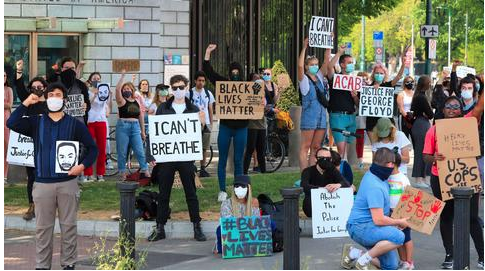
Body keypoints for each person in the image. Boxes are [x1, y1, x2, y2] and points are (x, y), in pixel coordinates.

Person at [7, 82, 98, 270]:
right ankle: (42, 266)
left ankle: (69, 264)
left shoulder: (74, 124)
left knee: (69, 227)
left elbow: (92, 148)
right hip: (42, 184)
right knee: (43, 229)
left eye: (58, 94)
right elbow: (12, 122)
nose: (54, 98)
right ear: (46, 98)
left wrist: (81, 166)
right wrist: (27, 102)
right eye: (51, 95)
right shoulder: (35, 122)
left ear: (64, 99)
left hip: (68, 183)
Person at [422, 95, 484, 269]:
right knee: (447, 216)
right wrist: (434, 157)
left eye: (456, 107)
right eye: (448, 106)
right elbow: (425, 156)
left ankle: (482, 255)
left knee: (472, 217)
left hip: (468, 176)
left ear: (461, 110)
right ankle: (450, 254)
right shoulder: (433, 130)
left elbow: (479, 107)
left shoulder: (469, 123)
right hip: (441, 177)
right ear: (442, 110)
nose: (451, 110)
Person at [147, 75, 207, 242]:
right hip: (167, 158)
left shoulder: (194, 109)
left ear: (187, 87)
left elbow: (197, 136)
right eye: (175, 88)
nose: (178, 90)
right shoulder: (163, 108)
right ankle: (160, 227)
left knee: (191, 192)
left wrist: (202, 123)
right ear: (171, 89)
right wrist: (151, 154)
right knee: (163, 193)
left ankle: (197, 225)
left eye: (181, 87)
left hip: (186, 157)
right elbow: (155, 132)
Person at [341, 147, 409, 270]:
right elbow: (378, 220)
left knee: (390, 266)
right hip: (360, 227)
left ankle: (354, 254)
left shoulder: (375, 173)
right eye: (392, 163)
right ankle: (363, 261)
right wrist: (399, 222)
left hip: (370, 225)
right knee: (399, 236)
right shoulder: (375, 186)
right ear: (389, 164)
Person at [203, 43, 251, 202]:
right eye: (233, 72)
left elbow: (257, 100)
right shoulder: (223, 84)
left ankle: (239, 189)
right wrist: (208, 53)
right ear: (230, 74)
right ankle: (222, 190)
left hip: (241, 128)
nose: (235, 74)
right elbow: (209, 73)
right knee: (222, 159)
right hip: (225, 126)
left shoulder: (247, 87)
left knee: (238, 160)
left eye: (238, 72)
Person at [14, 61, 49, 221]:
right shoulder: (27, 102)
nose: (37, 89)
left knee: (47, 175)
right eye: (34, 86)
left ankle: (47, 205)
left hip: (47, 146)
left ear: (45, 88)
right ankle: (32, 205)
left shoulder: (50, 104)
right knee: (32, 176)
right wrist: (19, 71)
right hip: (29, 146)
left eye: (40, 86)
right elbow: (19, 86)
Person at [297, 37, 331, 171]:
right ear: (306, 66)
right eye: (311, 64)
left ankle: (313, 174)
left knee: (316, 147)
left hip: (321, 117)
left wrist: (329, 44)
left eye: (316, 64)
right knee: (305, 147)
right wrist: (304, 48)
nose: (315, 66)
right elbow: (299, 66)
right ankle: (305, 174)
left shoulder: (320, 78)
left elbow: (326, 61)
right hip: (309, 117)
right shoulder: (304, 80)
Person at [366, 46, 408, 141]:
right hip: (372, 122)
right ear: (373, 74)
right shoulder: (367, 88)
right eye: (377, 73)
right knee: (375, 148)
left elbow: (398, 76)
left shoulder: (388, 86)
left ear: (385, 75)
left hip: (387, 121)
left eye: (381, 73)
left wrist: (403, 64)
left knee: (389, 146)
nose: (379, 75)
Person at [115, 70, 150, 181]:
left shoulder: (136, 101)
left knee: (139, 150)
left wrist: (143, 131)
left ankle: (145, 170)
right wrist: (123, 76)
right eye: (124, 89)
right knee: (122, 151)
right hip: (123, 127)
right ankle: (122, 173)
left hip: (135, 127)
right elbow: (116, 89)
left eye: (128, 89)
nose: (126, 90)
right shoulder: (121, 101)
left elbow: (140, 116)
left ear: (132, 90)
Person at [326, 45, 360, 158]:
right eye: (349, 62)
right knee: (341, 151)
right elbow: (329, 66)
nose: (351, 64)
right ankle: (339, 174)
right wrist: (339, 52)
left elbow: (358, 104)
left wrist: (355, 96)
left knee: (347, 151)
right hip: (338, 117)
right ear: (342, 64)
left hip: (351, 118)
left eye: (352, 62)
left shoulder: (355, 81)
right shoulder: (335, 78)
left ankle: (343, 173)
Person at [214, 175, 260, 254]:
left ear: (248, 188)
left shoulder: (253, 202)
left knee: (271, 224)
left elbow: (256, 222)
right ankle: (220, 247)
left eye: (243, 186)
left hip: (249, 235)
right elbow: (227, 223)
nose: (239, 188)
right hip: (234, 235)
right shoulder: (226, 203)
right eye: (237, 186)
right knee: (219, 229)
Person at [301, 147, 350, 218]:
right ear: (316, 159)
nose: (326, 161)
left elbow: (346, 183)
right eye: (322, 158)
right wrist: (322, 189)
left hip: (331, 206)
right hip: (312, 205)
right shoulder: (307, 171)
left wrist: (338, 185)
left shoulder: (332, 169)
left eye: (328, 159)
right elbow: (304, 186)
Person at [387, 151, 414, 270]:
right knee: (397, 238)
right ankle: (402, 260)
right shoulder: (386, 178)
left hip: (403, 213)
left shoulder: (403, 178)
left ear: (394, 164)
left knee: (406, 238)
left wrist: (405, 214)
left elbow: (409, 195)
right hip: (391, 214)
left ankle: (409, 262)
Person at [83, 72, 110, 182]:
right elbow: (87, 104)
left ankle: (100, 173)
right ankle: (87, 173)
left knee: (101, 148)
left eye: (98, 79)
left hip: (101, 120)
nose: (96, 80)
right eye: (94, 79)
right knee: (89, 147)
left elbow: (107, 105)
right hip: (90, 120)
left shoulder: (104, 91)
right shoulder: (87, 91)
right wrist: (94, 94)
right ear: (90, 80)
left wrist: (109, 94)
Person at [187, 71, 215, 178]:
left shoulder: (208, 93)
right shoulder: (189, 93)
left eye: (203, 81)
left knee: (205, 147)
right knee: (193, 146)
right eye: (199, 80)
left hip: (206, 123)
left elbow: (210, 109)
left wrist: (211, 124)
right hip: (193, 123)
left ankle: (203, 168)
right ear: (195, 81)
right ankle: (191, 167)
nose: (201, 83)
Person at [410, 75, 434, 188]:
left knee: (423, 151)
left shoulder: (418, 95)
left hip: (419, 124)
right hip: (421, 124)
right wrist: (427, 113)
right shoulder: (422, 97)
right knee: (421, 151)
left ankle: (422, 177)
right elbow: (430, 114)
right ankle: (419, 179)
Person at [243, 72, 268, 175]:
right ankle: (244, 172)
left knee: (261, 151)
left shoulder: (264, 96)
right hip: (252, 125)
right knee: (250, 149)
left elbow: (267, 107)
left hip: (262, 125)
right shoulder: (250, 96)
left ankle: (263, 171)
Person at [57, 57, 91, 124]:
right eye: (67, 68)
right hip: (59, 123)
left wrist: (85, 107)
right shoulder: (54, 84)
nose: (69, 70)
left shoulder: (81, 85)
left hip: (78, 124)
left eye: (72, 68)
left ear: (75, 69)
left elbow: (88, 103)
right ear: (62, 69)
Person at [355, 71, 369, 169]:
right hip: (357, 116)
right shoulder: (355, 90)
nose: (364, 80)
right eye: (362, 78)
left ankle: (360, 159)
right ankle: (358, 159)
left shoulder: (369, 88)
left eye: (365, 78)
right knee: (358, 139)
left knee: (361, 139)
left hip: (366, 117)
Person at [396, 76, 415, 141]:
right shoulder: (401, 94)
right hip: (404, 118)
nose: (410, 83)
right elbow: (401, 109)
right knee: (404, 138)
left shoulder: (415, 94)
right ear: (404, 83)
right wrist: (408, 119)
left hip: (413, 118)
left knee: (415, 138)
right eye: (408, 82)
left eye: (411, 82)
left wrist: (413, 119)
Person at [4, 71, 13, 182]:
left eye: (5, 75)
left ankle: (4, 175)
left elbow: (9, 105)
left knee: (5, 148)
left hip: (5, 121)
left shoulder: (8, 90)